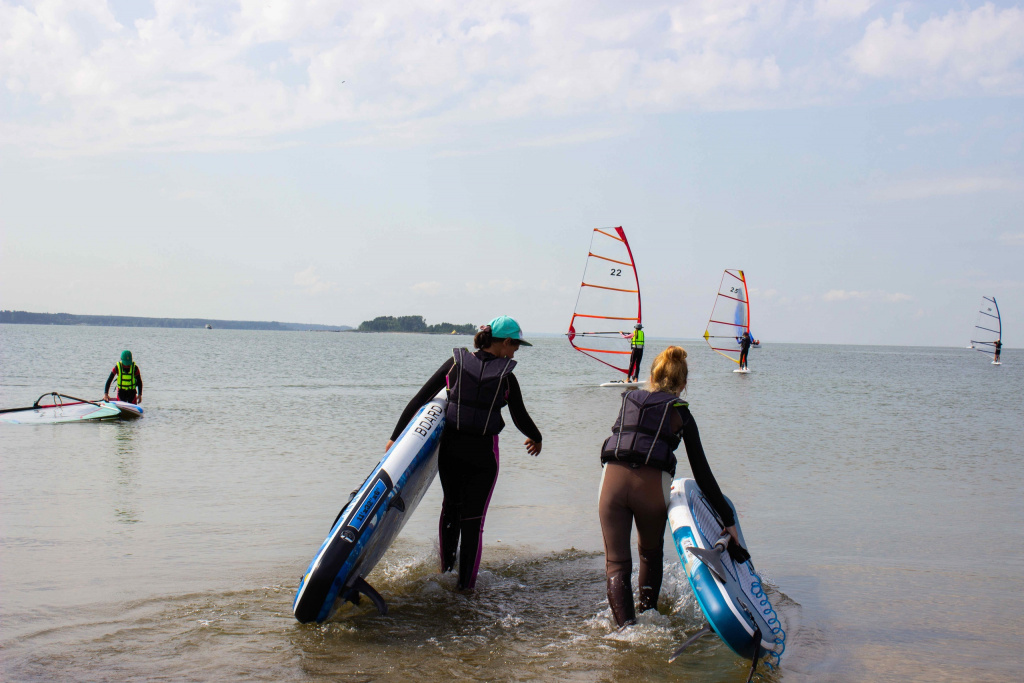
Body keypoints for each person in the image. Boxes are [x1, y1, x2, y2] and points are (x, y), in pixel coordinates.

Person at [386, 316, 543, 590]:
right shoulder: (507, 377)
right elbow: (520, 417)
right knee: (473, 522)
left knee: (451, 512)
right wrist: (537, 437)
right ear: (505, 342)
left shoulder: (456, 364)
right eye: (515, 345)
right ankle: (466, 589)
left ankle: (444, 572)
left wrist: (395, 437)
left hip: (452, 453)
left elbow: (420, 398)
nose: (516, 351)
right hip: (483, 458)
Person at [598, 346, 741, 628]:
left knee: (616, 564)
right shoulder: (682, 415)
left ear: (651, 377)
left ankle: (624, 632)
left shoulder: (629, 399)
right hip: (650, 491)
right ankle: (648, 616)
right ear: (684, 384)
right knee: (650, 555)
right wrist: (728, 519)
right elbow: (703, 475)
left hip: (610, 486)